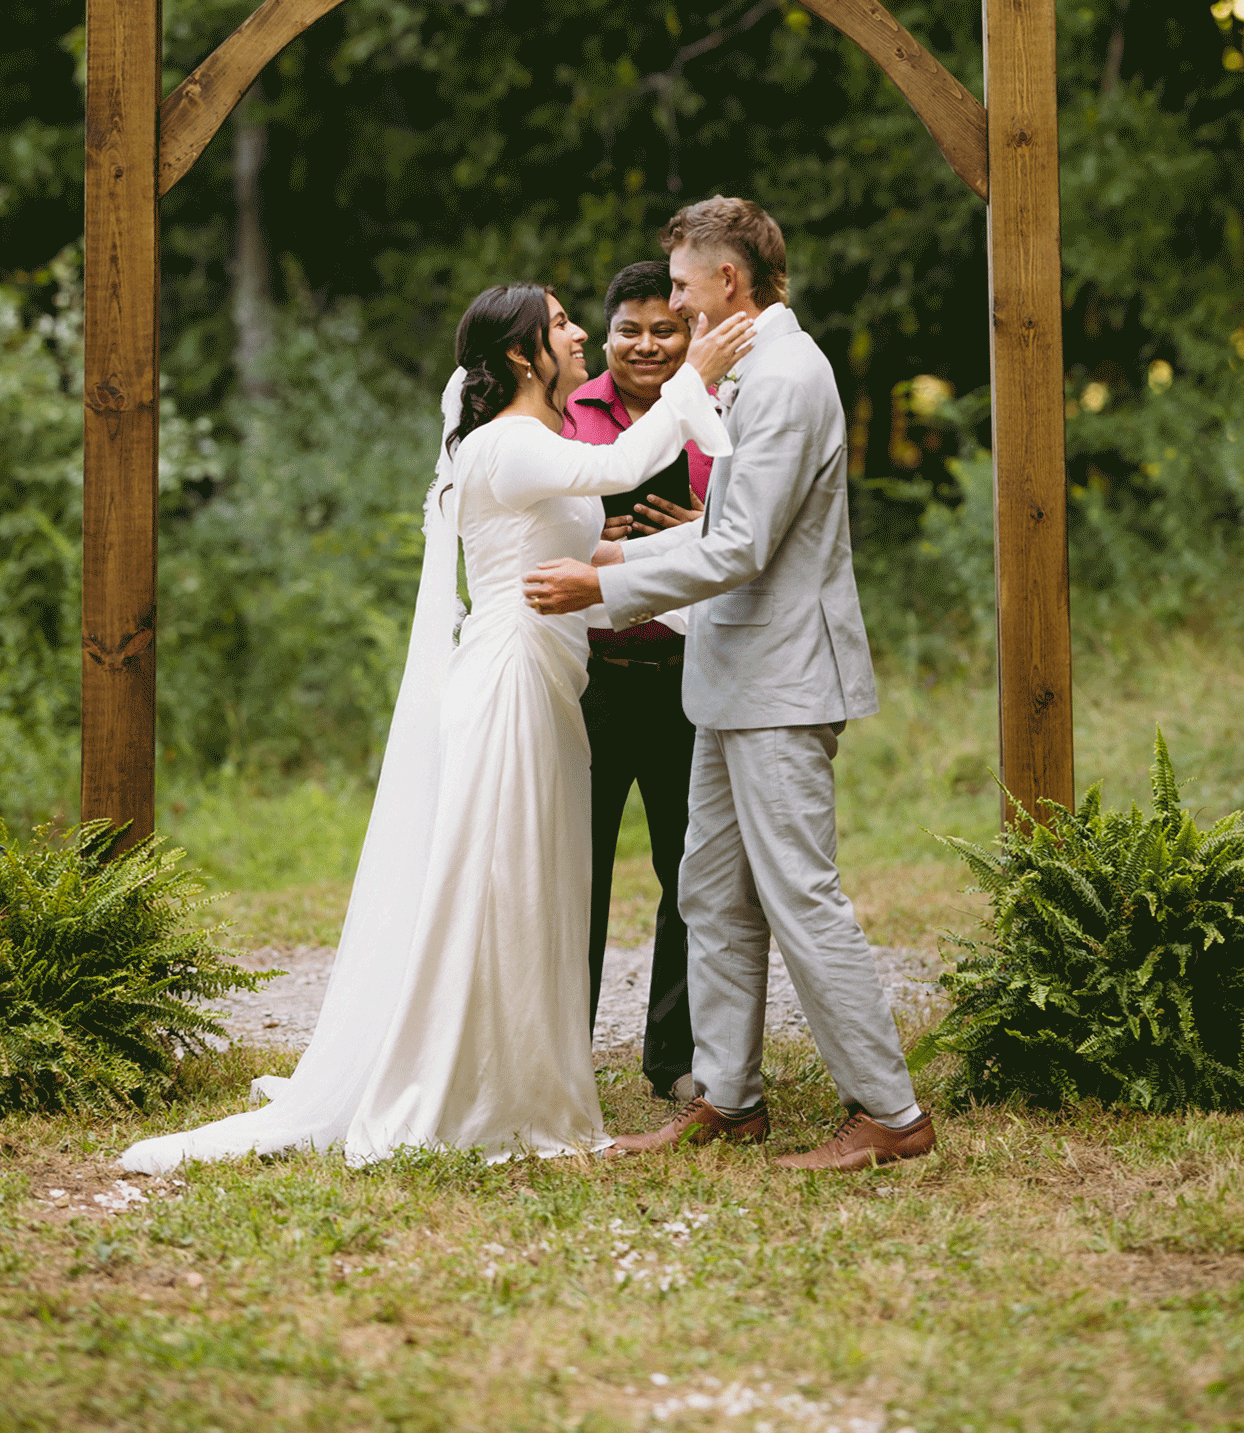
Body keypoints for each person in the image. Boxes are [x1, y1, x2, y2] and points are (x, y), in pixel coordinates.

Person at [121, 283, 749, 1175]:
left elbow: (588, 558)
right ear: (526, 357)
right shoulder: (507, 446)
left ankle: (521, 1067)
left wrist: (705, 592)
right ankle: (470, 1078)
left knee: (535, 877)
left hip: (545, 672)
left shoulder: (539, 441)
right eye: (563, 324)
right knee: (501, 877)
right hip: (510, 680)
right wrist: (695, 371)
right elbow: (623, 468)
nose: (578, 337)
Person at [524, 198, 936, 1173]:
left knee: (799, 891)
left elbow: (742, 545)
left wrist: (606, 583)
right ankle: (725, 1095)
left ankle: (887, 1110)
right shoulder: (754, 372)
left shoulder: (788, 377)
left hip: (784, 681)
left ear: (726, 282)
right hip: (728, 679)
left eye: (678, 283)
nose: (667, 302)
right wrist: (604, 557)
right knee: (708, 889)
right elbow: (715, 528)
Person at [564, 259, 712, 1103]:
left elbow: (747, 535)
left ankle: (675, 1056)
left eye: (665, 328)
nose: (646, 345)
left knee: (688, 870)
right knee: (571, 868)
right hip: (590, 674)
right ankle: (559, 1048)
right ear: (608, 330)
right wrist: (596, 535)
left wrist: (699, 527)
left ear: (688, 332)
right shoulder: (567, 414)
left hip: (684, 673)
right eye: (630, 329)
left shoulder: (716, 415)